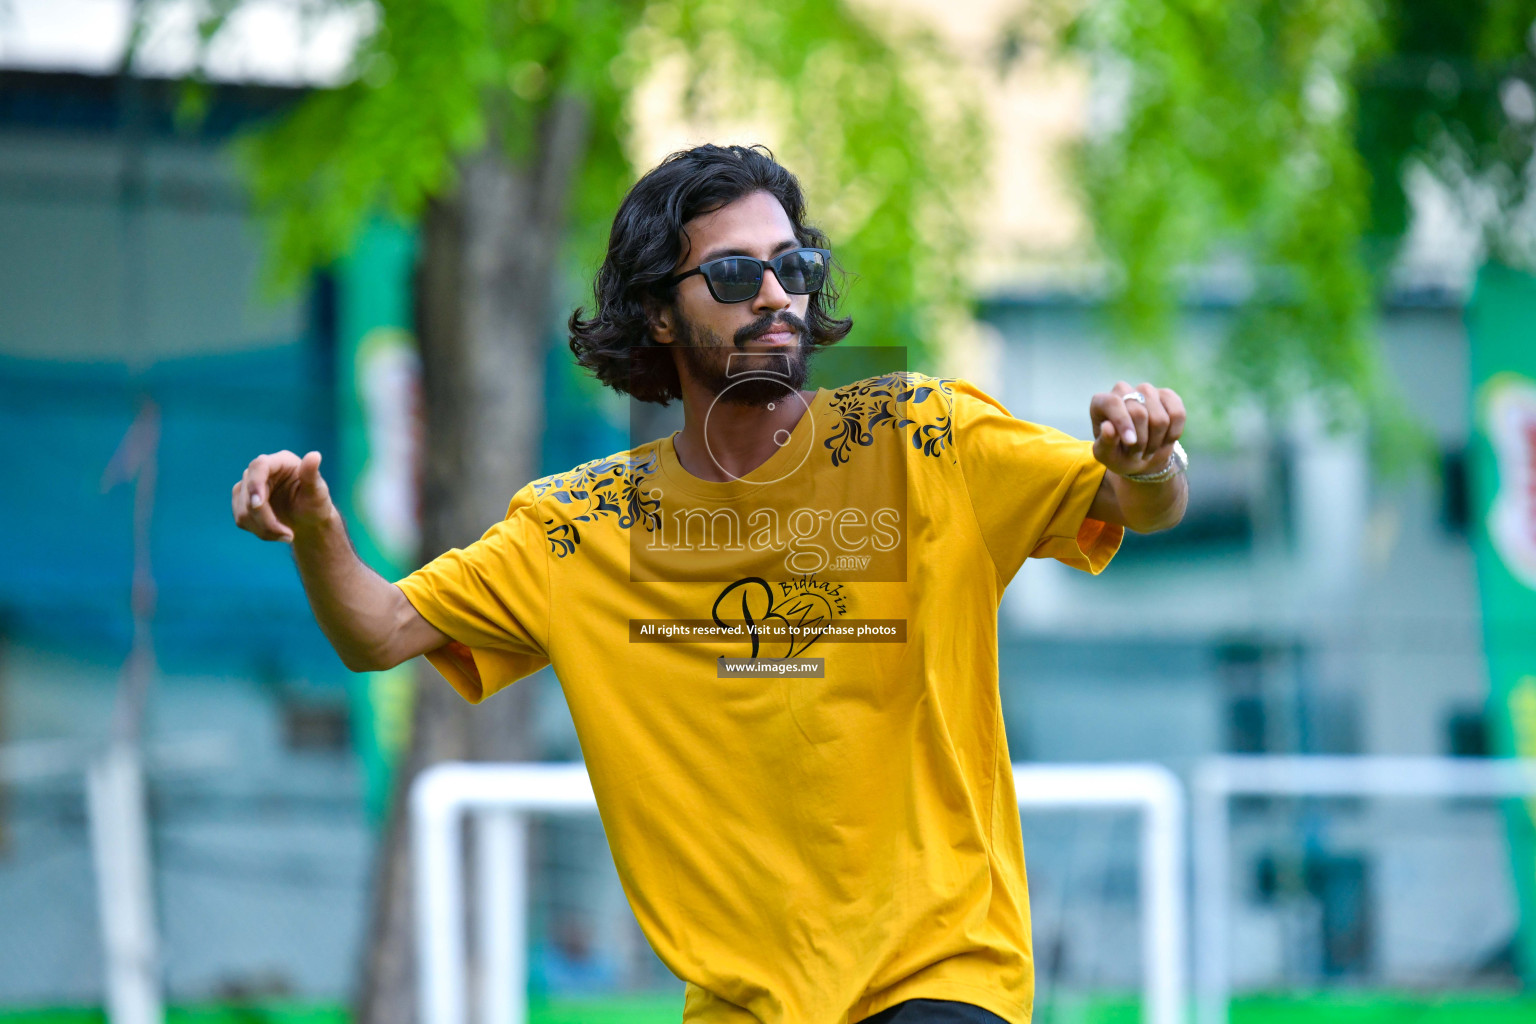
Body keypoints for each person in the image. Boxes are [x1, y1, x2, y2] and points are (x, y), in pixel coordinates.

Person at [231, 144, 1188, 1024]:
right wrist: (318, 530)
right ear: (658, 309)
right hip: (739, 1004)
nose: (777, 294)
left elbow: (1136, 504)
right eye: (735, 273)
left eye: (794, 267)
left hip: (943, 975)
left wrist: (1147, 463)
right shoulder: (581, 527)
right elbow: (380, 631)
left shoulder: (919, 436)